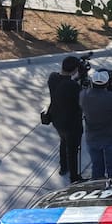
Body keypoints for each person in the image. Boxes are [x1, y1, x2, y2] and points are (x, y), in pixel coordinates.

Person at [79, 69, 112, 179]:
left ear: (92, 82)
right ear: (106, 84)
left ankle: (97, 186)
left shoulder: (83, 95)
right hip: (110, 138)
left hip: (92, 138)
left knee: (97, 168)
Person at [47, 55, 84, 183]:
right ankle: (74, 177)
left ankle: (63, 167)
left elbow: (63, 84)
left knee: (63, 141)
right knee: (72, 149)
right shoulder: (74, 86)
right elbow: (81, 100)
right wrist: (81, 78)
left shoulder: (52, 78)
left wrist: (76, 77)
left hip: (56, 119)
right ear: (74, 70)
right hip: (71, 123)